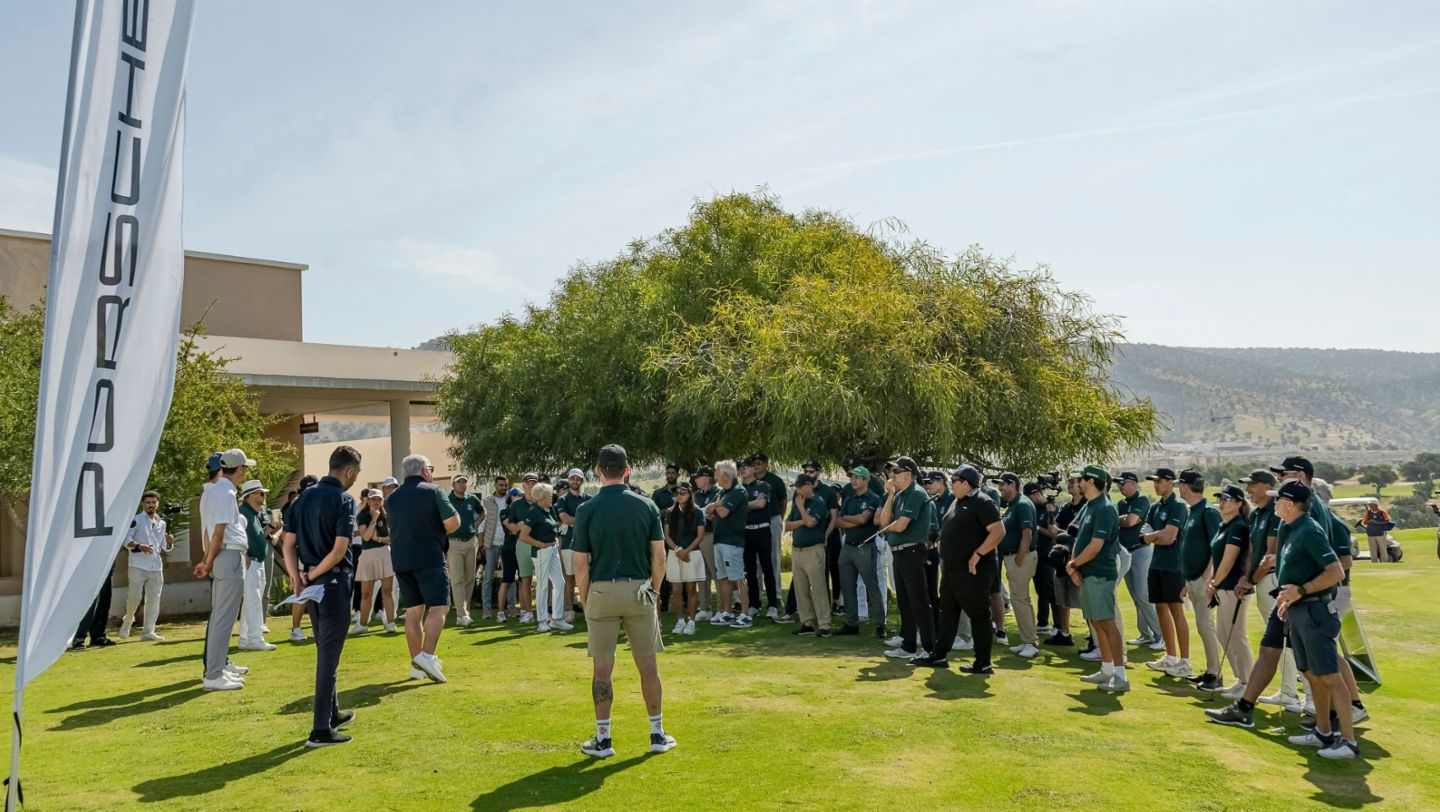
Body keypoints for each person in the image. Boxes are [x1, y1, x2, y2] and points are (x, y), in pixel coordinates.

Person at [572, 444, 674, 758]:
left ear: (599, 471)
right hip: (640, 589)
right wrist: (655, 591)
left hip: (602, 590)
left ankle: (604, 739)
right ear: (627, 470)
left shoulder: (585, 510)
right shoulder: (646, 506)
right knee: (648, 666)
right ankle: (656, 733)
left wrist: (586, 597)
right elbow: (659, 558)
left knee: (602, 669)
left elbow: (580, 565)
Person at [1267, 481, 1357, 758]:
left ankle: (1349, 742)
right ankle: (1323, 731)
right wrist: (1287, 599)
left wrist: (1301, 591)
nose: (1274, 503)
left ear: (1290, 504)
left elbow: (1335, 572)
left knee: (1329, 676)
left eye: (1277, 499)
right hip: (1297, 610)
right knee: (1310, 673)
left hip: (1316, 611)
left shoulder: (1309, 530)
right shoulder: (1288, 528)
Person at [281, 445, 362, 747]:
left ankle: (333, 712)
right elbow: (340, 549)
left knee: (324, 648)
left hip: (310, 582)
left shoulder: (303, 498)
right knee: (329, 656)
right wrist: (312, 576)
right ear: (350, 472)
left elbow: (288, 545)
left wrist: (297, 577)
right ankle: (319, 729)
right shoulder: (344, 499)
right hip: (332, 581)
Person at [386, 454, 461, 683]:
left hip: (401, 558)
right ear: (424, 470)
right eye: (431, 467)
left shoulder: (392, 498)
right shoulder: (434, 491)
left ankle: (417, 666)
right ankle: (427, 656)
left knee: (413, 610)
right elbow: (453, 523)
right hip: (429, 556)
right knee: (439, 606)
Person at [924, 464, 1003, 671]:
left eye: (954, 481)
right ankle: (939, 655)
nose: (951, 485)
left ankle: (983, 662)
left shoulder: (983, 502)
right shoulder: (958, 502)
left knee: (978, 613)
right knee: (947, 611)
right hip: (951, 568)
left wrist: (977, 554)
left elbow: (998, 531)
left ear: (966, 483)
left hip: (972, 569)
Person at [195, 449, 256, 691]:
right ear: (239, 469)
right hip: (228, 555)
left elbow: (212, 532)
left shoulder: (217, 490)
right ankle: (214, 674)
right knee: (223, 618)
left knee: (223, 617)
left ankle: (217, 669)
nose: (245, 472)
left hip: (226, 555)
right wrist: (207, 562)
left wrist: (207, 559)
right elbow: (218, 533)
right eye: (245, 468)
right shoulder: (226, 492)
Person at [1066, 466, 1127, 692]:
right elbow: (1080, 538)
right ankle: (1107, 668)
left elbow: (1095, 546)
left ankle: (1120, 675)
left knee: (1107, 622)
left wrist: (1073, 565)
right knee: (1096, 621)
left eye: (1081, 479)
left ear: (1091, 481)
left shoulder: (1105, 508)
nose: (1077, 482)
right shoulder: (1091, 506)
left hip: (1100, 573)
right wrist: (1074, 566)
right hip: (1087, 572)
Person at [876, 456, 935, 660]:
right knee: (904, 601)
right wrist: (890, 495)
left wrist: (890, 527)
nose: (892, 476)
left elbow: (900, 525)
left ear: (909, 474)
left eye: (896, 472)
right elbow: (883, 521)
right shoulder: (900, 495)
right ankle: (908, 645)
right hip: (899, 552)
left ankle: (929, 648)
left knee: (918, 601)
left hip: (912, 551)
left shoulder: (916, 493)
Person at [1141, 468, 1192, 678]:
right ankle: (1170, 657)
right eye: (1154, 481)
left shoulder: (1178, 506)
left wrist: (1153, 536)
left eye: (1160, 481)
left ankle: (1185, 661)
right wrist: (1155, 536)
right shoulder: (1155, 507)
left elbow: (1169, 537)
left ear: (1171, 483)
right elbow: (1142, 535)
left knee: (1176, 610)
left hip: (1174, 565)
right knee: (1160, 608)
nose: (1156, 484)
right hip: (1157, 564)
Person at [1176, 469, 1224, 691]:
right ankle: (1210, 671)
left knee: (1206, 626)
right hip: (1192, 579)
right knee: (1202, 626)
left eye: (1180, 485)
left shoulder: (1207, 512)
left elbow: (1217, 546)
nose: (1179, 489)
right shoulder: (1193, 511)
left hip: (1204, 580)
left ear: (1186, 486)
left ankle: (1215, 674)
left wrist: (1209, 575)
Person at [1205, 484, 1252, 699]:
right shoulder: (1224, 526)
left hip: (1234, 588)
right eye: (1220, 498)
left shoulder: (1238, 527)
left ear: (1239, 503)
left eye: (1227, 499)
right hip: (1222, 587)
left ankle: (1248, 683)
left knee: (1236, 635)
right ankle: (1240, 679)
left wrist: (1214, 582)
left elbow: (1228, 560)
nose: (1222, 502)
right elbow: (1217, 558)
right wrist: (1213, 582)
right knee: (1224, 635)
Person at [994, 473, 1041, 659]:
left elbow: (1027, 534)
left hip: (1021, 557)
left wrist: (1019, 558)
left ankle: (1031, 643)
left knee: (1020, 600)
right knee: (1021, 600)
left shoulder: (1022, 504)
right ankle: (1027, 640)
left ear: (1012, 484)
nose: (1000, 488)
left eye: (1002, 485)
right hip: (1013, 557)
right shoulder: (1013, 505)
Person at [836, 466, 886, 638]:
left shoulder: (873, 498)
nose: (853, 480)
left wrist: (852, 519)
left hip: (865, 546)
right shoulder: (849, 499)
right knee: (848, 587)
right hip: (848, 547)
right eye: (852, 477)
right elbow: (838, 522)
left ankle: (880, 624)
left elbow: (865, 519)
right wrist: (855, 520)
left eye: (857, 477)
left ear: (865, 480)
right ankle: (852, 623)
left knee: (872, 586)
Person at [1115, 472, 1162, 650]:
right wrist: (1123, 519)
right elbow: (1121, 522)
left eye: (1123, 483)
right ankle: (1145, 634)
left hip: (1141, 551)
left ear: (1133, 484)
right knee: (1136, 597)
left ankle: (1160, 634)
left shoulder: (1141, 500)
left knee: (1143, 595)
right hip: (1126, 553)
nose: (1120, 486)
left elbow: (1131, 522)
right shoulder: (1121, 504)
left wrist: (1122, 520)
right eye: (1119, 483)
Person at [119, 491, 173, 642]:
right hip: (137, 565)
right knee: (134, 598)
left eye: (153, 502)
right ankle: (128, 619)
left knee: (154, 600)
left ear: (157, 504)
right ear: (143, 504)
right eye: (148, 502)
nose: (151, 505)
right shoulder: (136, 520)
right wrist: (139, 546)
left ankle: (148, 631)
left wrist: (169, 542)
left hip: (156, 566)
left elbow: (163, 546)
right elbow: (125, 539)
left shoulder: (162, 523)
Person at [707, 461, 753, 628]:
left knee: (738, 578)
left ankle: (745, 614)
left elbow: (723, 512)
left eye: (716, 473)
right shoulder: (722, 493)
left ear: (725, 475)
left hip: (732, 542)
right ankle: (727, 612)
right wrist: (717, 504)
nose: (715, 477)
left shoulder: (738, 491)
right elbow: (708, 510)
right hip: (720, 540)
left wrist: (717, 505)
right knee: (724, 578)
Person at [521, 482, 572, 632]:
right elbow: (523, 536)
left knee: (559, 582)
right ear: (542, 497)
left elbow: (553, 525)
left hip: (552, 548)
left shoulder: (549, 509)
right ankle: (542, 620)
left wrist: (554, 538)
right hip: (541, 552)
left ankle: (557, 619)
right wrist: (539, 544)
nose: (552, 498)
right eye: (550, 496)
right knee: (542, 586)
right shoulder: (533, 512)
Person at [787, 474, 832, 637]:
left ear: (809, 486)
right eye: (796, 488)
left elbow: (812, 523)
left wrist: (800, 507)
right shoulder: (798, 502)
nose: (798, 490)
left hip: (814, 550)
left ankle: (825, 624)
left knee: (818, 588)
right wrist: (802, 520)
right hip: (797, 551)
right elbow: (787, 525)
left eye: (800, 487)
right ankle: (806, 623)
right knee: (801, 589)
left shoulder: (819, 502)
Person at [237, 479, 278, 651]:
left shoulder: (253, 514)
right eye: (261, 493)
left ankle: (246, 638)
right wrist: (244, 555)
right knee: (253, 601)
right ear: (251, 495)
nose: (264, 496)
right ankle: (255, 638)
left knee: (251, 601)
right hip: (251, 562)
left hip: (257, 562)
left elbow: (259, 537)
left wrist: (273, 526)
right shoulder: (243, 514)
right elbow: (237, 537)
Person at [664, 481, 705, 635]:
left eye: (683, 493)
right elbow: (666, 535)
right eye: (677, 493)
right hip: (675, 553)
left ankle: (692, 621)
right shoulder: (670, 512)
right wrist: (677, 550)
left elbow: (700, 536)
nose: (679, 496)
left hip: (692, 553)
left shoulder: (697, 512)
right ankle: (680, 621)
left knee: (691, 588)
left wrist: (686, 550)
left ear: (689, 494)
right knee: (676, 590)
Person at [355, 489, 398, 633]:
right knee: (366, 593)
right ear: (368, 500)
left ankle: (390, 622)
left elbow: (391, 539)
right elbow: (366, 537)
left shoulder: (387, 515)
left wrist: (378, 538)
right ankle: (362, 625)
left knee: (387, 591)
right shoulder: (363, 515)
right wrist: (374, 519)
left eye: (378, 499)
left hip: (384, 554)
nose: (376, 502)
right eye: (373, 499)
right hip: (368, 555)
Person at [445, 474, 486, 627]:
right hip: (453, 542)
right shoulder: (447, 500)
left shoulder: (472, 499)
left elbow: (483, 511)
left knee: (470, 578)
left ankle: (465, 612)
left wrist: (476, 523)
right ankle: (461, 614)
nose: (462, 485)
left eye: (464, 482)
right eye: (458, 482)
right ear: (453, 485)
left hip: (470, 542)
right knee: (457, 579)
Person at [740, 459, 778, 619]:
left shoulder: (763, 485)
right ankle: (754, 604)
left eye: (746, 467)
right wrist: (750, 504)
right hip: (746, 532)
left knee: (767, 568)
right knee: (750, 571)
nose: (742, 470)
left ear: (754, 469)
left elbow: (761, 504)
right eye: (740, 468)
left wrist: (742, 505)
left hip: (762, 530)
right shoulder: (739, 488)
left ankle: (773, 605)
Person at [285, 473, 319, 642]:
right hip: (302, 553)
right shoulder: (296, 505)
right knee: (301, 591)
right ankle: (296, 629)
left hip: (315, 553)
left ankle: (315, 627)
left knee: (316, 592)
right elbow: (287, 536)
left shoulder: (315, 503)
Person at [752, 453, 788, 609]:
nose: (756, 466)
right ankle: (757, 596)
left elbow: (783, 501)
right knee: (756, 561)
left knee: (774, 558)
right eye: (754, 463)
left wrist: (779, 518)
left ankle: (777, 595)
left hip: (772, 519)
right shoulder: (749, 481)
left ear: (766, 464)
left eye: (759, 463)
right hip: (754, 523)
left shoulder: (775, 480)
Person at [557, 469, 592, 625]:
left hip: (587, 543)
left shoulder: (589, 499)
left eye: (578, 479)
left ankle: (588, 608)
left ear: (582, 481)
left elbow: (595, 519)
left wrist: (575, 520)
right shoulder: (563, 499)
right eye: (572, 479)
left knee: (587, 577)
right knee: (569, 577)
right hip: (568, 542)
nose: (575, 481)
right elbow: (564, 519)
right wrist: (584, 521)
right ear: (569, 480)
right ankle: (569, 609)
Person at [504, 474, 540, 623]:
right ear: (523, 485)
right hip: (523, 543)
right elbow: (510, 526)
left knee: (544, 579)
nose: (531, 486)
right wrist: (519, 526)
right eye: (529, 483)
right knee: (525, 579)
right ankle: (526, 611)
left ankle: (542, 612)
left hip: (540, 542)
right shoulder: (517, 504)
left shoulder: (542, 501)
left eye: (534, 483)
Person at [1027, 482, 1059, 639]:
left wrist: (1036, 527)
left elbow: (1052, 533)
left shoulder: (1050, 507)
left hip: (1047, 553)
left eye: (1031, 496)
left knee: (1050, 590)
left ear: (1037, 493)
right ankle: (1043, 623)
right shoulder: (1033, 508)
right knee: (1040, 590)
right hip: (1035, 553)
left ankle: (1059, 625)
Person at [690, 466, 722, 620]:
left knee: (716, 573)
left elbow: (714, 511)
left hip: (711, 535)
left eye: (698, 477)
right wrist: (704, 512)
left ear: (707, 478)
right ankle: (705, 608)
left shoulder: (718, 493)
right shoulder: (695, 495)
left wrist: (702, 512)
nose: (696, 480)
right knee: (701, 575)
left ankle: (722, 607)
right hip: (698, 536)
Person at [480, 475, 514, 619]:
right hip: (491, 544)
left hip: (508, 544)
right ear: (495, 485)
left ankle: (512, 608)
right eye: (501, 485)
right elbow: (482, 523)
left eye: (505, 485)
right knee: (488, 577)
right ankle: (486, 609)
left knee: (510, 577)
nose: (503, 488)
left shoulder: (511, 501)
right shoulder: (487, 501)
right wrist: (480, 544)